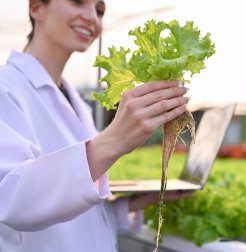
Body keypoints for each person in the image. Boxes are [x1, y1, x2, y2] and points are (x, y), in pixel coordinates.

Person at [0, 0, 193, 251]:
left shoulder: (76, 102)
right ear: (36, 7)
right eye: (78, 2)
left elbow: (74, 208)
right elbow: (10, 197)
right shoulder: (6, 87)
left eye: (99, 10)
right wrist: (113, 141)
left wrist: (132, 204)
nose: (91, 16)